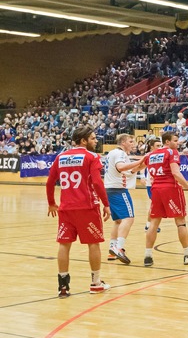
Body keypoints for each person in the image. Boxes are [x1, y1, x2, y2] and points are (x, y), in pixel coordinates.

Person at [46, 126, 111, 297]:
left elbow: (50, 182)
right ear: (83, 141)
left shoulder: (60, 157)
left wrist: (52, 203)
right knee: (93, 243)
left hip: (66, 209)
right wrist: (106, 204)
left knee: (64, 244)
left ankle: (63, 286)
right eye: (93, 138)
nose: (96, 141)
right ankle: (96, 282)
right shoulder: (91, 156)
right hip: (87, 208)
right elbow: (97, 183)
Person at [143, 132, 188, 267]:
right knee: (180, 222)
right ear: (167, 142)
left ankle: (148, 256)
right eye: (175, 140)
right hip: (171, 189)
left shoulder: (151, 154)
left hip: (155, 189)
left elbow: (139, 165)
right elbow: (175, 172)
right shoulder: (172, 152)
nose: (177, 143)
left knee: (154, 223)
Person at [104, 134, 145, 265]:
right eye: (131, 141)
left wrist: (143, 164)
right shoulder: (120, 154)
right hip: (118, 190)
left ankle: (112, 248)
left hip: (109, 189)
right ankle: (119, 247)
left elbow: (129, 171)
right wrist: (140, 160)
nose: (133, 144)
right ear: (122, 142)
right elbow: (121, 167)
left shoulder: (113, 153)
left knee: (118, 221)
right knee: (129, 218)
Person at [143, 137, 162, 233]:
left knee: (156, 205)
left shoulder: (161, 155)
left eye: (160, 145)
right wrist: (142, 176)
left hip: (159, 183)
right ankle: (148, 225)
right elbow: (142, 166)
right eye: (157, 146)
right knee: (154, 205)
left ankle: (150, 225)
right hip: (151, 184)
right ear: (151, 147)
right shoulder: (148, 155)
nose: (159, 147)